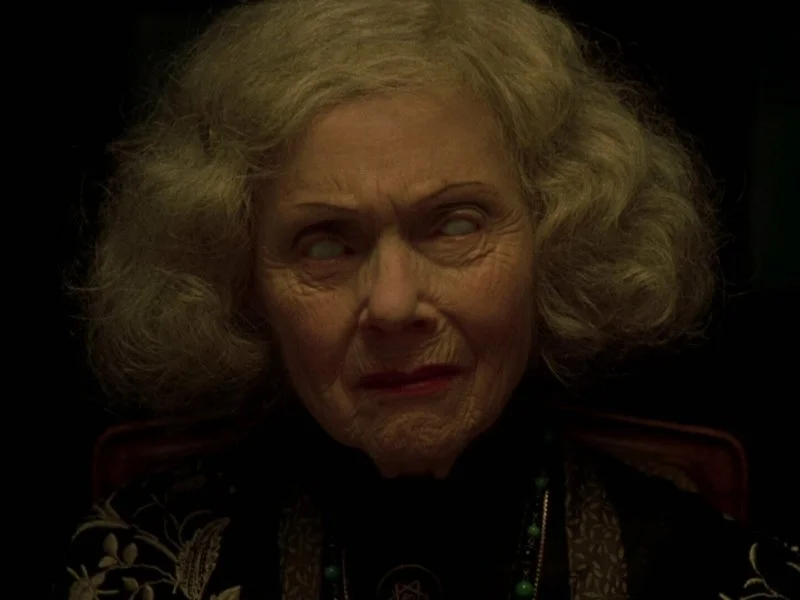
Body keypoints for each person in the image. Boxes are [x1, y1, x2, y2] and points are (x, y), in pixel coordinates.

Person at [55, 0, 798, 599]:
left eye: (455, 225)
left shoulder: (715, 575)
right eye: (324, 244)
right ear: (242, 283)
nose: (392, 305)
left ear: (558, 243)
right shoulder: (133, 566)